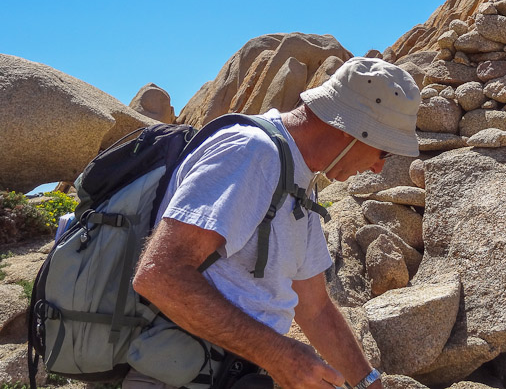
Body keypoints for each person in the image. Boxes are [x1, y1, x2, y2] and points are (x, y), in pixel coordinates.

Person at [130, 56, 421, 389]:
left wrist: (369, 382)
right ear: (355, 128)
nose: (378, 168)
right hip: (181, 375)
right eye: (384, 151)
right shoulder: (251, 153)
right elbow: (159, 275)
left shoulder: (299, 176)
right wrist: (280, 356)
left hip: (233, 375)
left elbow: (315, 309)